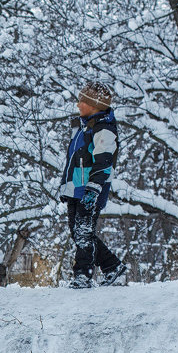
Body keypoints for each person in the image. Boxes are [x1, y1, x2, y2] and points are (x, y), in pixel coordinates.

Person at [59, 80, 124, 287]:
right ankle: (112, 266)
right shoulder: (84, 127)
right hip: (77, 189)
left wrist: (93, 189)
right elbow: (74, 162)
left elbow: (104, 163)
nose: (78, 105)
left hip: (90, 190)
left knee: (84, 232)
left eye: (82, 101)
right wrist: (67, 187)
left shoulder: (103, 129)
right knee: (77, 231)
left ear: (95, 105)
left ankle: (83, 274)